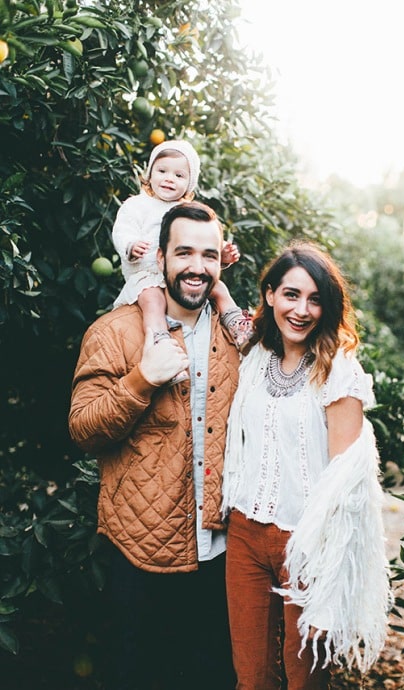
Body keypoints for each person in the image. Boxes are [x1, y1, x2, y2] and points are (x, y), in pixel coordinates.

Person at [69, 201, 247, 690]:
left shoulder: (238, 339)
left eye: (209, 255)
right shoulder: (116, 331)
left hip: (220, 555)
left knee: (212, 677)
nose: (197, 267)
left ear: (220, 262)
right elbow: (84, 429)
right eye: (184, 252)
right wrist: (143, 380)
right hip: (139, 554)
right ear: (162, 257)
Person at [222, 242, 391, 689]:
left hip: (308, 549)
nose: (302, 310)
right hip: (244, 537)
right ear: (271, 295)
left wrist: (331, 596)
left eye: (316, 299)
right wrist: (217, 271)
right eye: (292, 295)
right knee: (251, 679)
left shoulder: (339, 372)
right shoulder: (255, 356)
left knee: (304, 681)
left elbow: (347, 490)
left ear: (329, 308)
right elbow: (221, 306)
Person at [111, 139, 239, 343]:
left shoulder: (187, 211)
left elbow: (203, 239)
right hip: (147, 275)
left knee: (220, 289)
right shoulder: (137, 205)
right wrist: (131, 244)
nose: (169, 179)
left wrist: (221, 254)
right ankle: (161, 345)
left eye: (179, 175)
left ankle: (240, 329)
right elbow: (122, 230)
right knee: (153, 303)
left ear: (190, 183)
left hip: (181, 275)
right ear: (150, 173)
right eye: (162, 171)